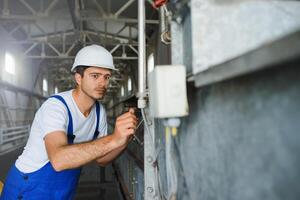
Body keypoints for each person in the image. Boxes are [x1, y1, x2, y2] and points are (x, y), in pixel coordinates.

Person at [0, 45, 138, 200]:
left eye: (106, 77)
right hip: (28, 189)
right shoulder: (56, 107)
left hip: (63, 191)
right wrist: (113, 139)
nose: (102, 83)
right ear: (78, 78)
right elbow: (59, 160)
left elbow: (102, 160)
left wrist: (124, 139)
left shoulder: (99, 112)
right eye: (95, 76)